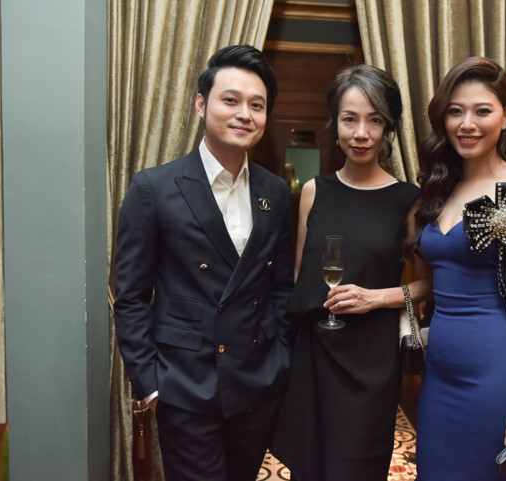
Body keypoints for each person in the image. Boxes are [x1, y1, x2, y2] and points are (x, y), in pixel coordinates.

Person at [113, 45, 294, 481]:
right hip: (185, 386)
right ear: (201, 104)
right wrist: (150, 383)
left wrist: (281, 358)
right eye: (230, 100)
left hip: (257, 382)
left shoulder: (275, 190)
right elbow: (130, 297)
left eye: (257, 105)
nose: (244, 114)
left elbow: (281, 286)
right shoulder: (154, 188)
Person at [271, 64, 430, 481]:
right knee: (310, 467)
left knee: (357, 467)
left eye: (374, 120)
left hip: (372, 362)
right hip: (314, 355)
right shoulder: (313, 191)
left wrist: (375, 298)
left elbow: (428, 284)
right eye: (349, 119)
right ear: (335, 123)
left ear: (388, 127)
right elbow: (298, 276)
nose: (361, 133)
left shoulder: (408, 199)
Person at [411, 56, 506, 480]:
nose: (467, 124)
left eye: (482, 111)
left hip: (493, 377)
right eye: (456, 111)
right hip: (438, 376)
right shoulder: (441, 187)